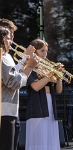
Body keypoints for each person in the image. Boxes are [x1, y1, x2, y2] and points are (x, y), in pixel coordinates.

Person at [0, 18, 36, 150]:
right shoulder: (3, 57)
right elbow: (13, 82)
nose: (12, 40)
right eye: (9, 36)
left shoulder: (6, 56)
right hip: (5, 111)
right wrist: (29, 67)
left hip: (10, 109)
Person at [25, 39, 63, 150]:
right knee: (39, 138)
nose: (45, 54)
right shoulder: (29, 66)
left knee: (50, 138)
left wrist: (59, 77)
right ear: (35, 51)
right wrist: (50, 75)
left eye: (46, 51)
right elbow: (36, 87)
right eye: (42, 51)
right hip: (37, 106)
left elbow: (58, 91)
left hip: (50, 105)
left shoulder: (47, 67)